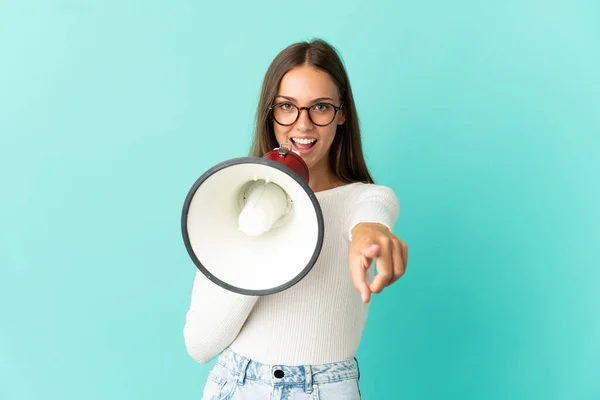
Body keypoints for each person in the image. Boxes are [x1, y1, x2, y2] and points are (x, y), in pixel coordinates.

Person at [183, 38, 409, 399]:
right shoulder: (229, 198)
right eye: (287, 106)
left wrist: (369, 233)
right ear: (270, 112)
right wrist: (254, 236)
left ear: (342, 113)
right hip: (234, 384)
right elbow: (200, 345)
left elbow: (372, 219)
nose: (302, 125)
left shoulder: (365, 199)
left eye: (320, 107)